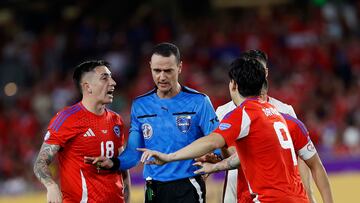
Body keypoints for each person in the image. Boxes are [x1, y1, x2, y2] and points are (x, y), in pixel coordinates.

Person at [139, 58, 311, 202]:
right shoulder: (274, 112)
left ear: (233, 84)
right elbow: (246, 157)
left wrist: (169, 157)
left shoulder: (243, 113)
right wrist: (215, 167)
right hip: (297, 197)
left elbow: (212, 141)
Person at [85, 42, 219, 203]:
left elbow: (217, 142)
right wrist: (113, 162)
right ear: (150, 67)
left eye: (168, 71)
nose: (162, 77)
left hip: (187, 186)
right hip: (153, 189)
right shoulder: (141, 105)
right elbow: (134, 153)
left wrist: (213, 156)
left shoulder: (199, 102)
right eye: (157, 70)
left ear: (180, 67)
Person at [214, 49, 316, 203]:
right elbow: (220, 152)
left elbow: (299, 157)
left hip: (275, 190)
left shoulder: (284, 110)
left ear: (266, 72)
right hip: (236, 189)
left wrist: (309, 194)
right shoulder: (223, 112)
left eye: (258, 68)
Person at [33, 60, 130, 203]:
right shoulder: (67, 118)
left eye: (111, 77)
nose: (113, 82)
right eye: (105, 78)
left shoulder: (116, 120)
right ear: (87, 87)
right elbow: (40, 162)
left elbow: (122, 165)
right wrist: (51, 186)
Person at [193, 112, 334, 203]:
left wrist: (173, 157)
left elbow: (236, 158)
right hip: (255, 194)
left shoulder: (236, 118)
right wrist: (217, 161)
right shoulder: (289, 120)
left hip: (265, 196)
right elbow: (238, 157)